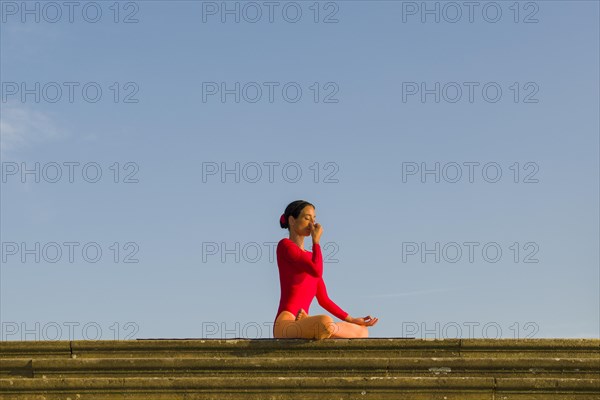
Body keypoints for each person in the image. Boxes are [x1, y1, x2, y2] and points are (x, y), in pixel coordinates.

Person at [273, 200, 379, 339]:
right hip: (286, 324)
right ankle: (320, 327)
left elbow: (324, 300)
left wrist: (352, 320)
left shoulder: (312, 257)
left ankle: (315, 325)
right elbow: (316, 271)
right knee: (325, 321)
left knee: (362, 331)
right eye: (306, 218)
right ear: (292, 221)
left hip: (306, 324)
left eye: (314, 219)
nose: (312, 224)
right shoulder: (285, 246)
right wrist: (316, 242)